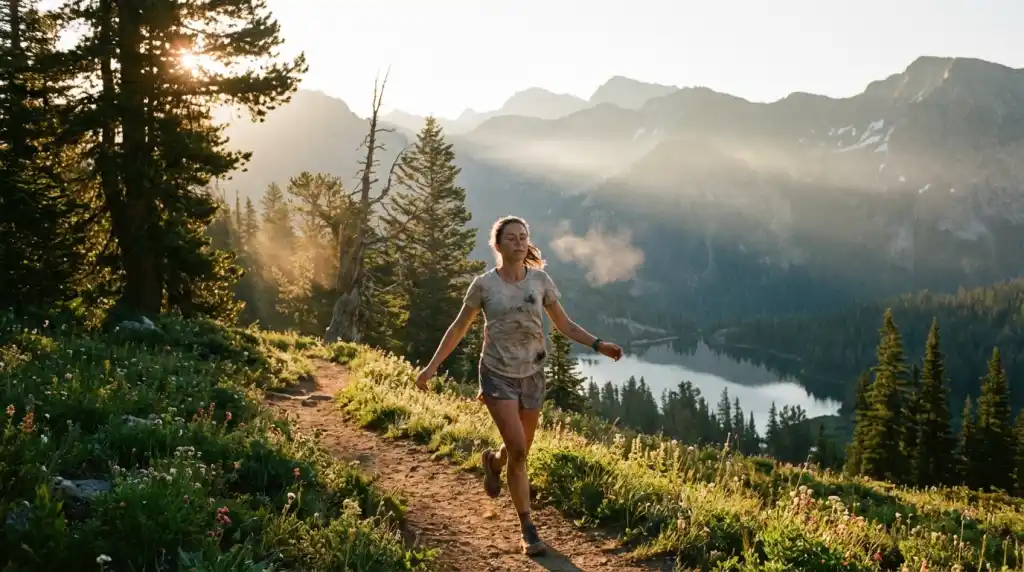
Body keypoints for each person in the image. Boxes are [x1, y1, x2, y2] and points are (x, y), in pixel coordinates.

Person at [414, 215, 623, 556]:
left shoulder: (540, 281)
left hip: (532, 374)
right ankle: (527, 527)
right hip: (497, 374)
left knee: (519, 447)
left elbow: (565, 325)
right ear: (496, 245)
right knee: (520, 450)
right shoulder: (483, 286)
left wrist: (600, 345)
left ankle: (493, 463)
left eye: (523, 237)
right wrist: (431, 368)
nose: (519, 242)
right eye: (511, 237)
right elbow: (458, 328)